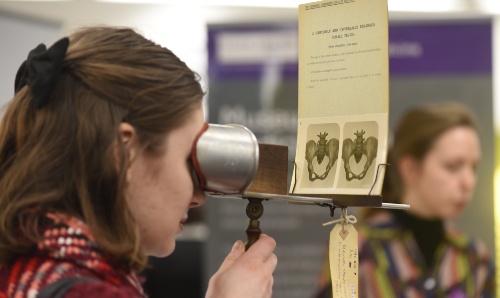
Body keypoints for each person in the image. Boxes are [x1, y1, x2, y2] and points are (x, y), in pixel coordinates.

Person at [0, 26, 277, 298]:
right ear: (123, 152)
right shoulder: (89, 291)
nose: (198, 196)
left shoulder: (25, 267)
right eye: (187, 161)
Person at [314, 102, 494, 297]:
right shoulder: (357, 249)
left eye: (473, 167)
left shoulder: (475, 257)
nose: (468, 182)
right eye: (453, 166)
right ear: (410, 169)